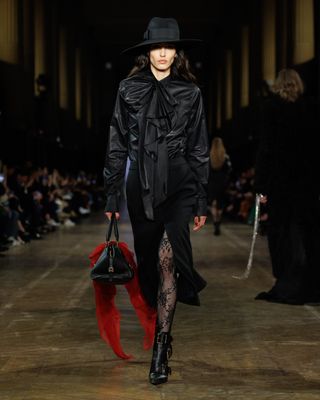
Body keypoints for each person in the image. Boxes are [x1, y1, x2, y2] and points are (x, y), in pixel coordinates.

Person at [103, 17, 209, 385]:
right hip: (141, 185)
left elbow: (198, 148)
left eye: (169, 47)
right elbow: (117, 142)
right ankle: (159, 331)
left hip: (180, 185)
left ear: (177, 52)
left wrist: (200, 199)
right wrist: (112, 190)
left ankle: (161, 348)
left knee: (169, 262)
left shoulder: (190, 94)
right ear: (147, 52)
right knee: (149, 264)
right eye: (156, 47)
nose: (163, 53)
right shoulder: (128, 89)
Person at [254, 68, 320, 305]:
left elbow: (267, 148)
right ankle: (310, 283)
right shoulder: (310, 108)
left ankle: (288, 283)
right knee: (307, 233)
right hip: (308, 183)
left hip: (281, 182)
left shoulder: (271, 109)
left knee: (282, 234)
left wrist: (260, 184)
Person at [207, 137, 232, 235]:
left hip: (212, 183)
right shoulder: (225, 157)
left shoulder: (209, 157)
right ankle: (218, 223)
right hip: (222, 183)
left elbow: (206, 171)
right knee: (220, 205)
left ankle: (215, 223)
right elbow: (229, 171)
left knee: (213, 204)